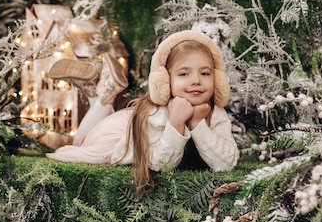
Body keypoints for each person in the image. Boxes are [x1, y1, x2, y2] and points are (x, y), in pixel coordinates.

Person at [47, 30, 239, 195]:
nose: (196, 80)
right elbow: (161, 164)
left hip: (126, 121)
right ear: (164, 81)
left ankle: (100, 94)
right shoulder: (155, 115)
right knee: (80, 143)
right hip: (120, 130)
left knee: (82, 139)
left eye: (205, 73)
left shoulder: (214, 113)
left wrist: (198, 124)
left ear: (217, 79)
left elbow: (226, 163)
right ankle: (102, 98)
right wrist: (176, 122)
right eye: (184, 74)